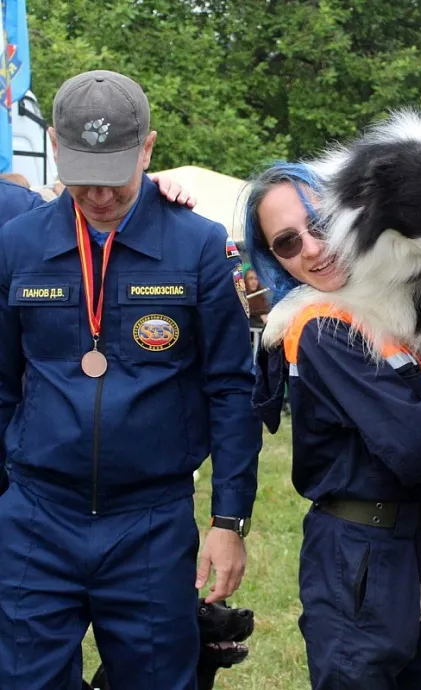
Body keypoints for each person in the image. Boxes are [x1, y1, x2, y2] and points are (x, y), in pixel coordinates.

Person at [0, 69, 262, 689]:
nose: (98, 196)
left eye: (114, 175)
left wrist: (229, 523)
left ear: (147, 149)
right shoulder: (16, 246)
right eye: (84, 175)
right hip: (37, 517)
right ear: (57, 150)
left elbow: (230, 390)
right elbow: (5, 385)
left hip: (150, 521)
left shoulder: (196, 246)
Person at [247, 162, 421, 689]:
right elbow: (419, 448)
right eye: (286, 243)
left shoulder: (390, 302)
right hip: (364, 553)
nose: (311, 247)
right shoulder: (322, 327)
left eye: (320, 224)